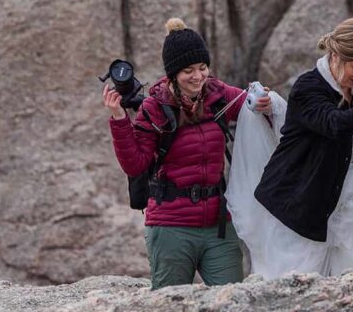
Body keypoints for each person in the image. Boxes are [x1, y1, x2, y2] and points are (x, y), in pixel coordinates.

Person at [103, 17, 271, 289]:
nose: (198, 76)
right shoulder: (154, 107)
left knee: (234, 305)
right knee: (169, 309)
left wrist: (265, 101)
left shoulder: (219, 94)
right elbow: (135, 165)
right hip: (170, 227)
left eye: (203, 67)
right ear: (173, 74)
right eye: (188, 70)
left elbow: (250, 105)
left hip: (218, 225)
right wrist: (119, 119)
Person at [227, 18, 353, 278]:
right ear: (335, 57)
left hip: (342, 209)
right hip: (295, 208)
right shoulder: (308, 88)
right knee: (291, 283)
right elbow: (333, 123)